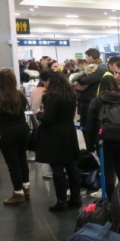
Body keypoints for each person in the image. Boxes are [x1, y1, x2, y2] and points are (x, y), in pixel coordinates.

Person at [86, 76, 120, 199]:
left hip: (104, 140)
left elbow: (89, 125)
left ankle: (110, 201)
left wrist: (90, 145)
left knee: (107, 171)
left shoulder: (96, 101)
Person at [35, 72, 82, 211]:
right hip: (69, 132)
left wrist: (39, 114)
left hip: (54, 135)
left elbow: (48, 118)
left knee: (57, 169)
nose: (44, 84)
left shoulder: (52, 96)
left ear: (50, 80)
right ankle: (76, 198)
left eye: (45, 81)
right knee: (72, 167)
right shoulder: (71, 94)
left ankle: (61, 201)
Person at [0, 69, 30, 204]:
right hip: (23, 131)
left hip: (6, 134)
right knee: (22, 159)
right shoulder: (21, 96)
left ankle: (18, 193)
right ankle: (26, 188)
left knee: (13, 164)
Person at [76, 48, 108, 138]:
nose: (85, 58)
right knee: (85, 124)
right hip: (87, 100)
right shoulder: (92, 67)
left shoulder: (100, 68)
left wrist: (76, 76)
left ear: (91, 57)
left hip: (91, 100)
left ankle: (91, 148)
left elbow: (84, 80)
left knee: (89, 125)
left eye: (86, 56)